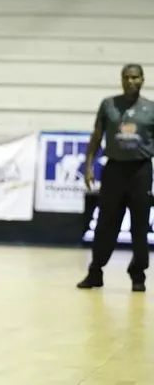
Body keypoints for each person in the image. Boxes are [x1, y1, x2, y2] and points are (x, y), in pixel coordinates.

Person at [77, 63, 154, 293]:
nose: (131, 82)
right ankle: (95, 272)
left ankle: (138, 275)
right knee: (106, 225)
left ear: (143, 80)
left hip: (140, 172)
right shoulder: (108, 104)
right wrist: (89, 165)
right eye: (127, 77)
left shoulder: (150, 109)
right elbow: (97, 137)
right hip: (113, 171)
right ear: (121, 80)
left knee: (140, 227)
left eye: (135, 78)